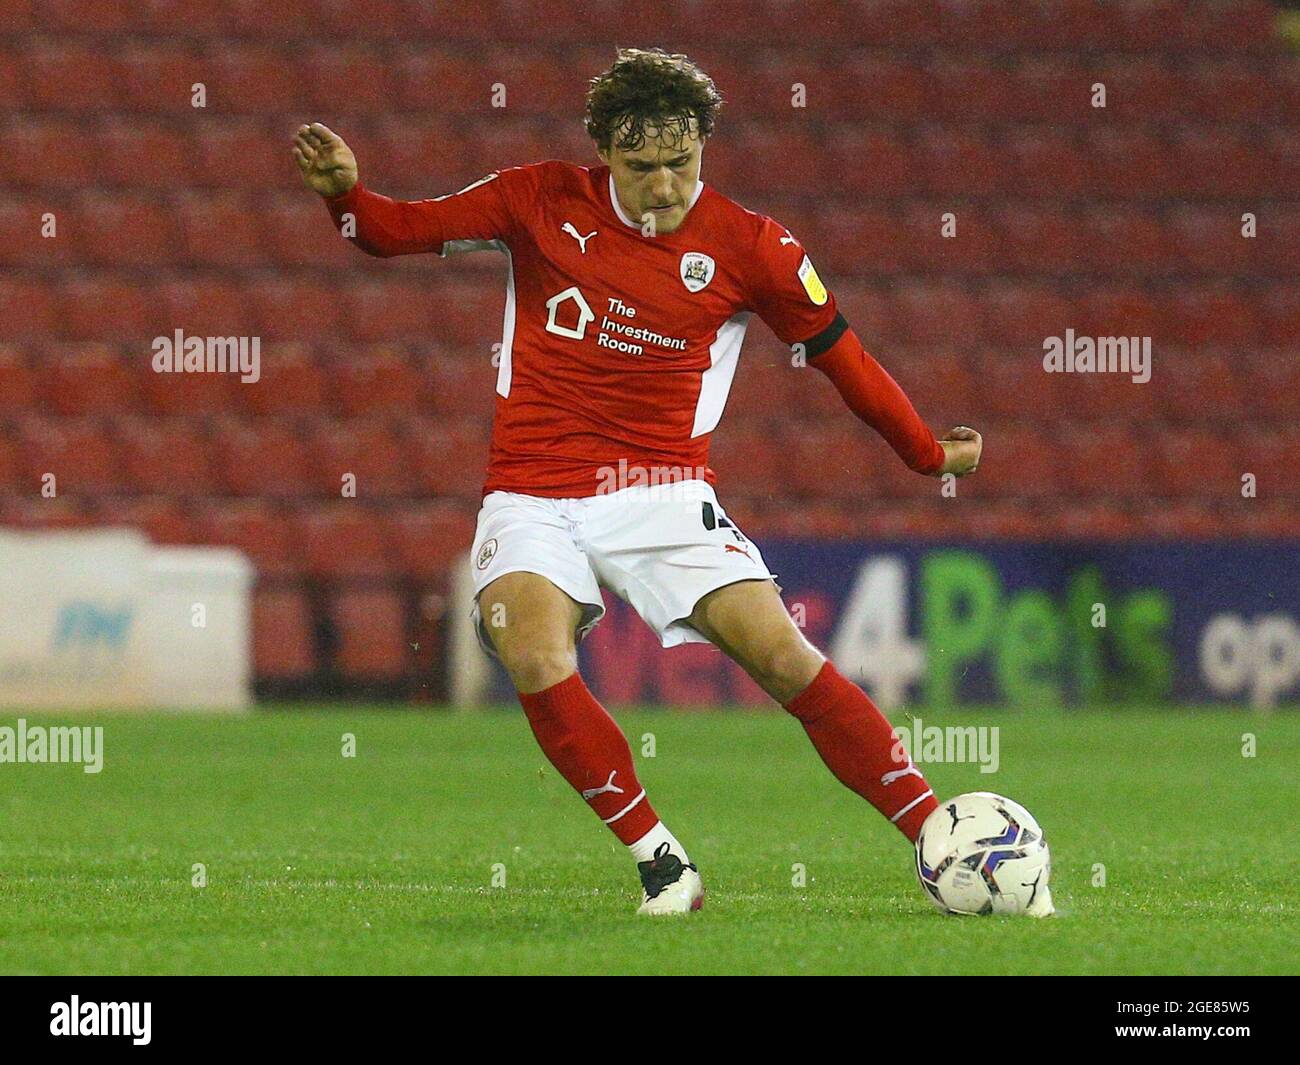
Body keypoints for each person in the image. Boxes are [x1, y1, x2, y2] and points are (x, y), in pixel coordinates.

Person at [294, 47, 989, 916]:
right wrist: (344, 198)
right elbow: (394, 232)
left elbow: (847, 364)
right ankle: (662, 861)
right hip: (533, 492)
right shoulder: (539, 198)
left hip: (664, 495)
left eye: (681, 163)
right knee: (533, 650)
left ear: (704, 146)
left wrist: (929, 453)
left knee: (784, 658)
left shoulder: (753, 247)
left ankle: (942, 838)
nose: (663, 185)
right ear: (604, 154)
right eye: (641, 166)